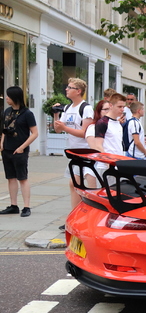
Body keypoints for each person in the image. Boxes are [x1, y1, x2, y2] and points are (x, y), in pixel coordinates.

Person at [53, 78, 94, 213]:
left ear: (78, 91)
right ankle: (76, 214)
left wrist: (65, 128)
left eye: (69, 87)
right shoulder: (67, 108)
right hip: (75, 154)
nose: (66, 89)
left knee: (91, 186)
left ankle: (88, 213)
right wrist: (56, 115)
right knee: (73, 184)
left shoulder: (86, 108)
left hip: (87, 153)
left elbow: (84, 133)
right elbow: (58, 129)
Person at [0, 86, 38, 217]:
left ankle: (26, 206)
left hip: (20, 150)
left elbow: (34, 133)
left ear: (15, 97)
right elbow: (5, 128)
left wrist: (22, 147)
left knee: (22, 178)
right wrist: (2, 142)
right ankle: (13, 205)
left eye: (8, 96)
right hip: (7, 149)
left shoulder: (27, 114)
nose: (6, 98)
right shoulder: (7, 111)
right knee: (10, 178)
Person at [93, 93, 125, 178]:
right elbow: (98, 146)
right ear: (111, 105)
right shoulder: (102, 122)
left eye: (123, 107)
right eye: (119, 107)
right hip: (105, 167)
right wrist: (108, 163)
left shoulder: (117, 123)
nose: (122, 109)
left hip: (118, 164)